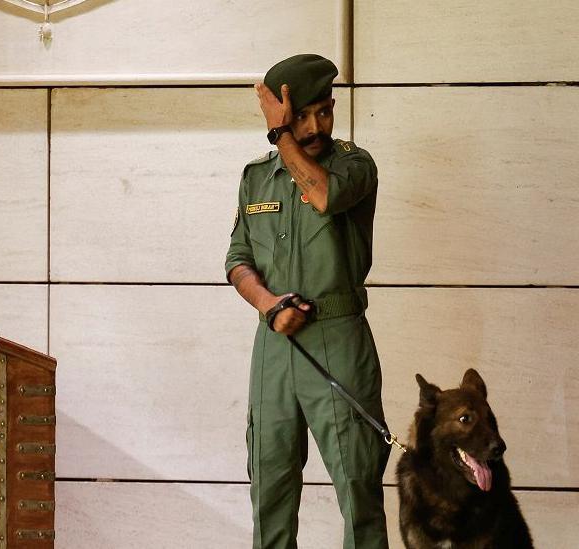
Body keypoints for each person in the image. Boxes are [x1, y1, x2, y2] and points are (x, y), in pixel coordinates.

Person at [225, 53, 389, 549]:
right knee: (269, 489)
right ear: (279, 116)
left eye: (325, 111)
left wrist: (283, 137)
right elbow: (236, 259)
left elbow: (323, 197)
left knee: (358, 488)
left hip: (338, 338)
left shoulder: (354, 166)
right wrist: (268, 304)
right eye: (300, 116)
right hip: (275, 347)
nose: (315, 126)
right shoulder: (257, 177)